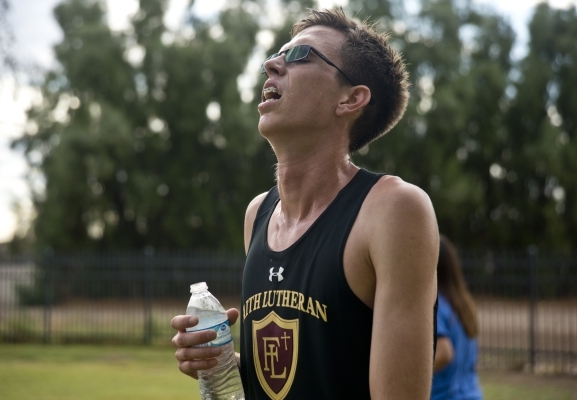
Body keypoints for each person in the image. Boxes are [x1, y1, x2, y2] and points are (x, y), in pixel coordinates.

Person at [172, 8, 439, 399]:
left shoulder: (394, 209)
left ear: (350, 99)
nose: (271, 64)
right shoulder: (258, 215)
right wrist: (221, 361)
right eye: (278, 53)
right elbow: (297, 374)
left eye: (299, 56)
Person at [432, 235, 482, 400]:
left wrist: (409, 372)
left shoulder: (436, 305)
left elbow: (444, 353)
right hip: (472, 394)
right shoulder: (463, 304)